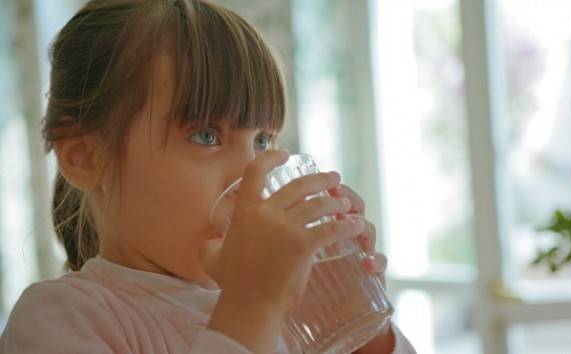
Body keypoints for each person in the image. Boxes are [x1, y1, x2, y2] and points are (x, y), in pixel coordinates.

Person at [0, 1, 416, 353]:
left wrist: (363, 332)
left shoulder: (285, 309)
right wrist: (252, 306)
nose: (253, 169)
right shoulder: (60, 319)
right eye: (206, 135)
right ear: (85, 157)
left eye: (263, 139)